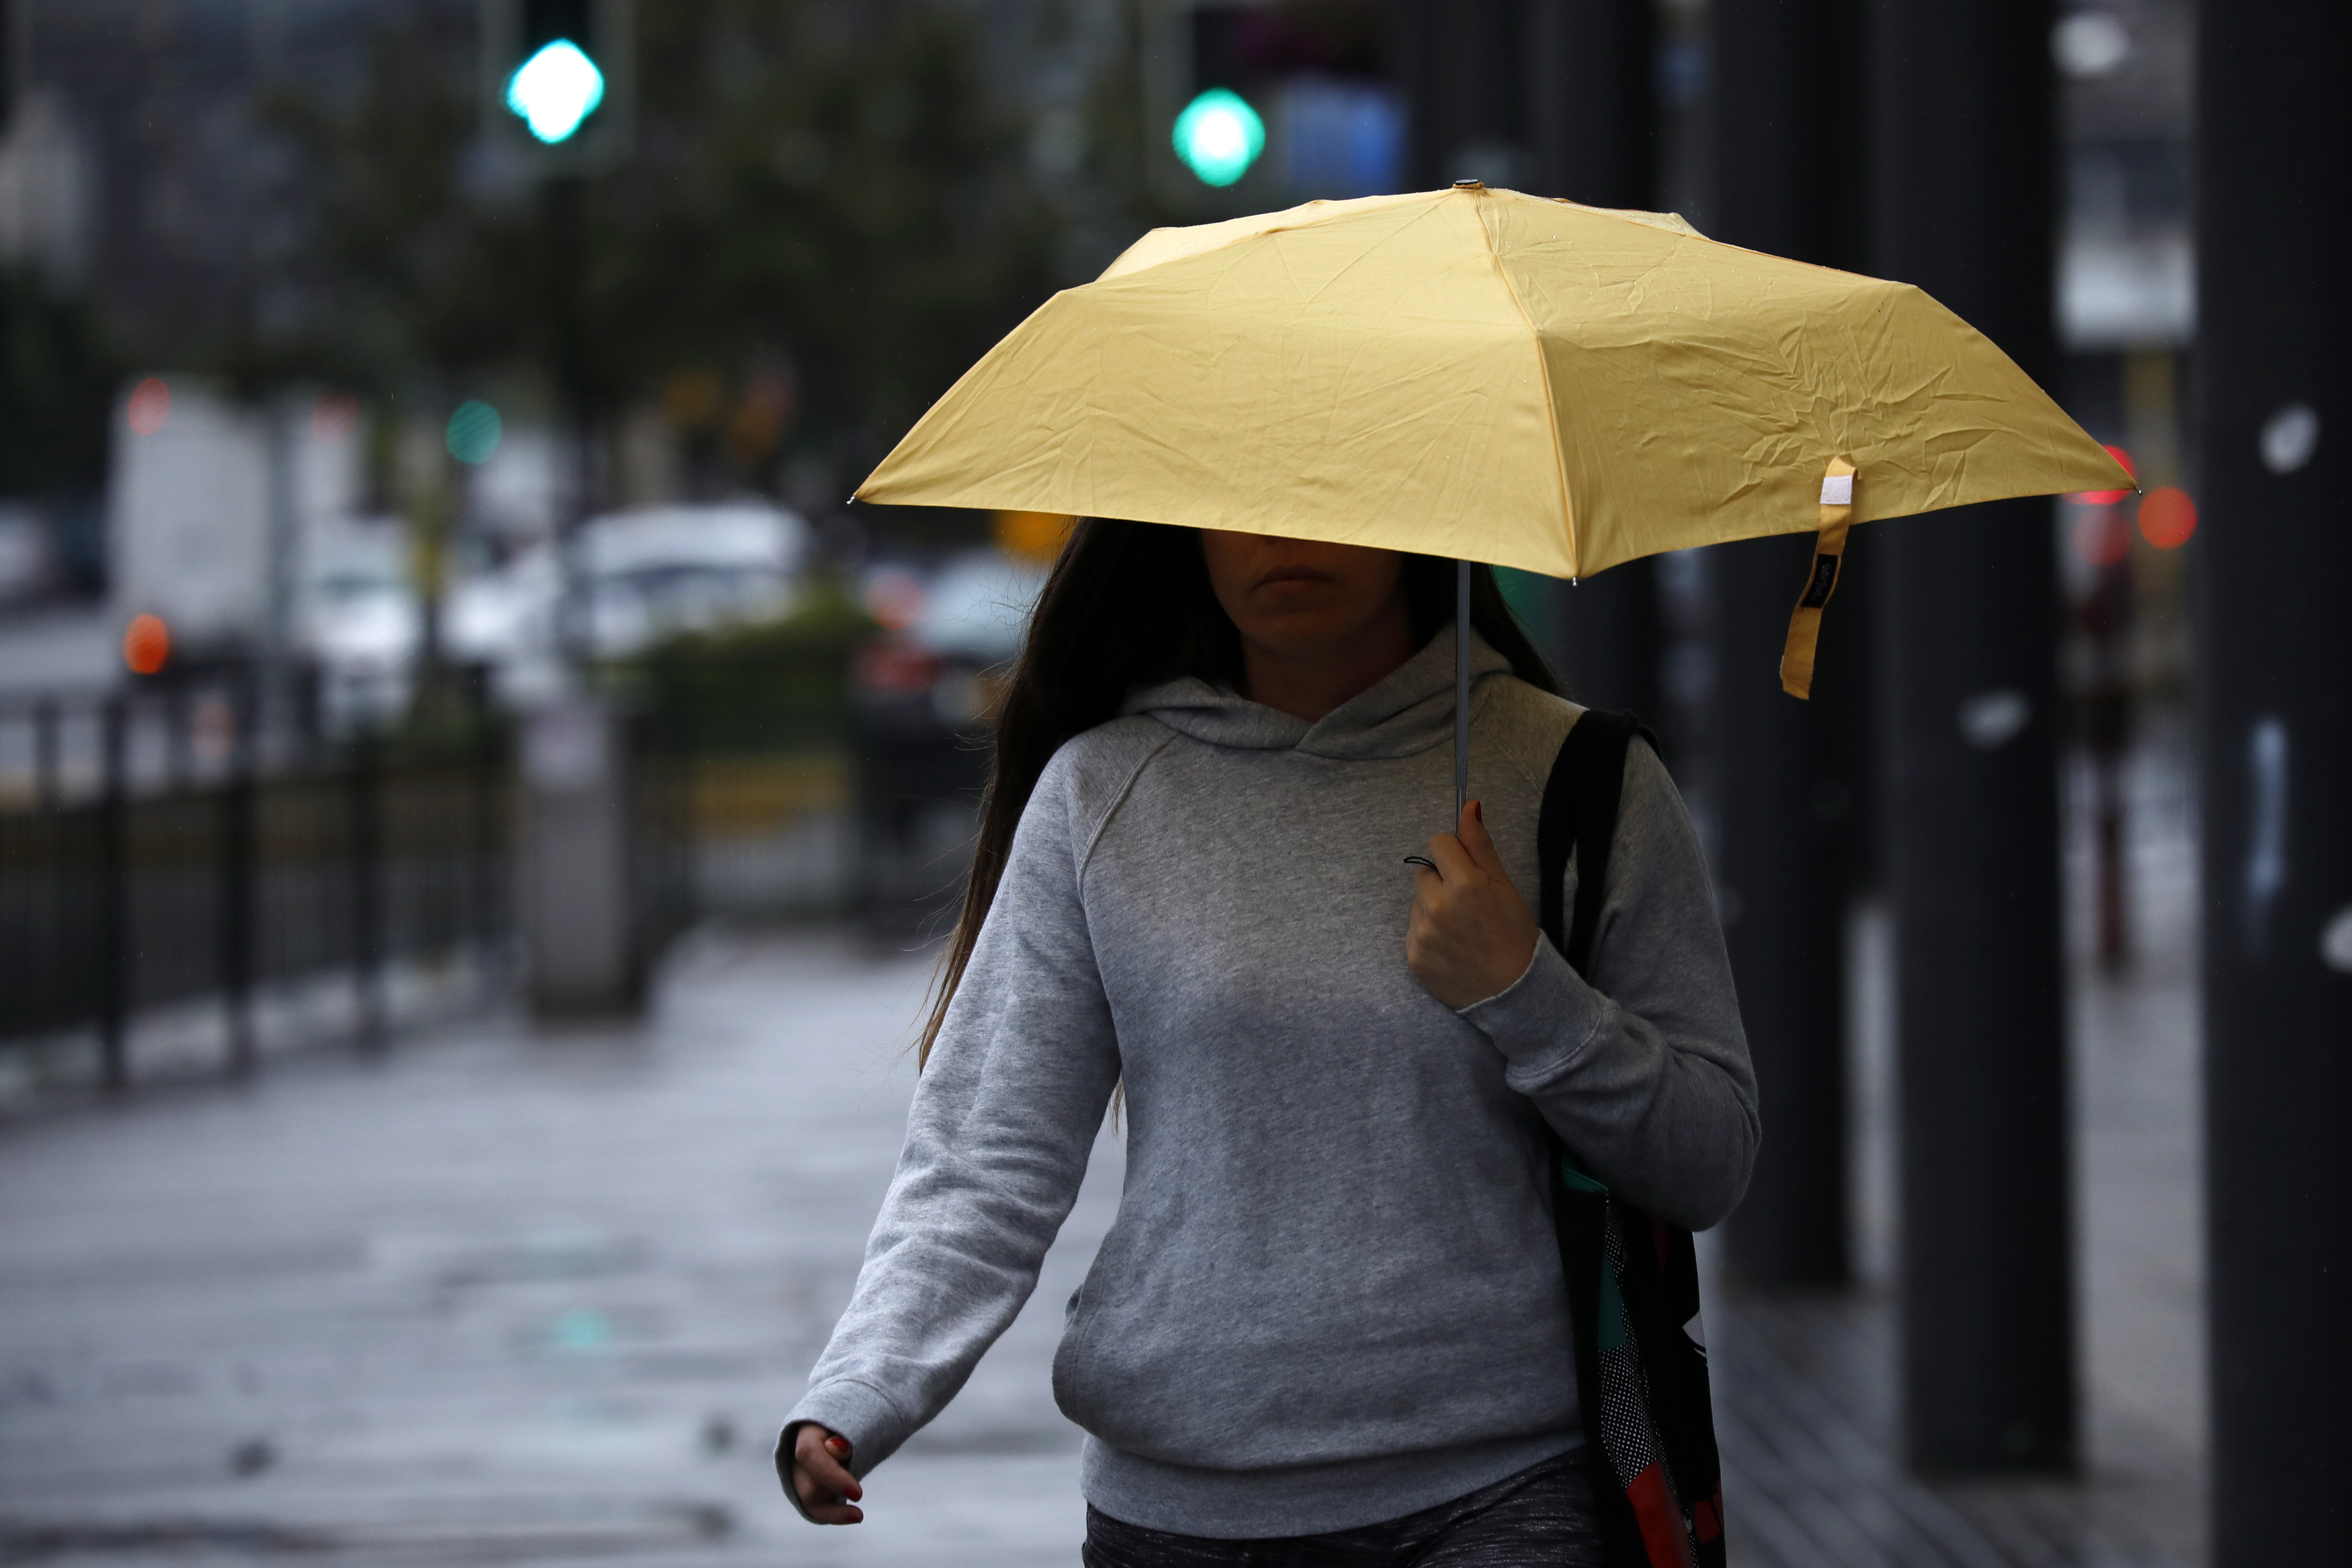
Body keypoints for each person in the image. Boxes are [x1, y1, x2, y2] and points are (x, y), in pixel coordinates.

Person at [779, 521, 1757, 1565]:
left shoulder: (1583, 779)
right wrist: (861, 1388)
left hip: (1509, 1486)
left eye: (1328, 492)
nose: (1279, 536)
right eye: (1241, 500)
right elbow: (985, 1160)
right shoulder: (1100, 793)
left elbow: (1709, 1158)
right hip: (1186, 1512)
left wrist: (1526, 991)